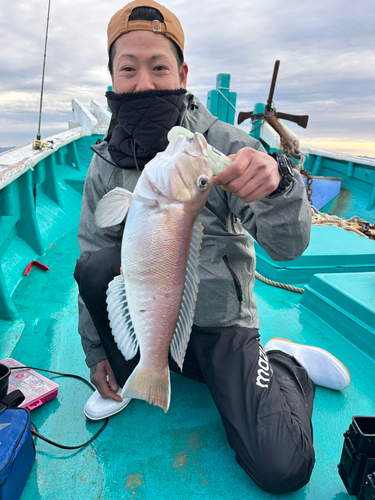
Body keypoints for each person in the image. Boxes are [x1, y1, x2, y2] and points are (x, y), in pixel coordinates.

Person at [74, 0, 351, 493]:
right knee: (94, 266)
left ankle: (285, 361)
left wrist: (281, 186)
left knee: (281, 467)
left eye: (159, 67)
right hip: (150, 315)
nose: (144, 83)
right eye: (129, 69)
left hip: (220, 320)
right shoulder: (103, 161)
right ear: (112, 78)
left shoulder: (222, 144)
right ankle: (127, 372)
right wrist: (96, 351)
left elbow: (288, 248)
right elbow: (91, 250)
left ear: (181, 72)